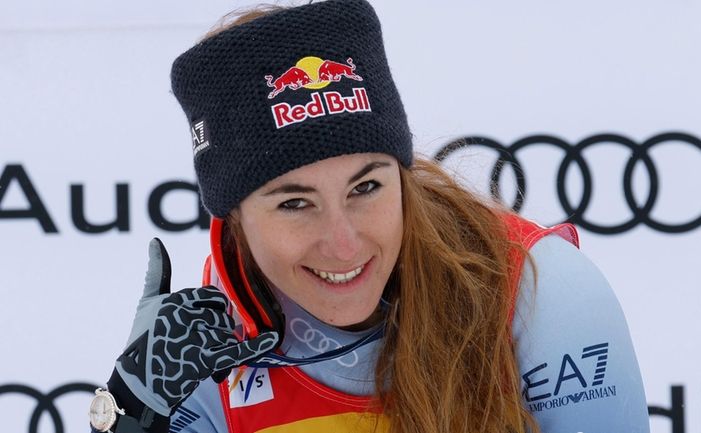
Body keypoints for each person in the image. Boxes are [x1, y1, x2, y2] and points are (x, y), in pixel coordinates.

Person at [87, 1, 650, 432]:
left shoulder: (534, 291)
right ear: (234, 218)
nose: (343, 242)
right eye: (294, 203)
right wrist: (126, 411)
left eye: (366, 187)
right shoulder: (206, 348)